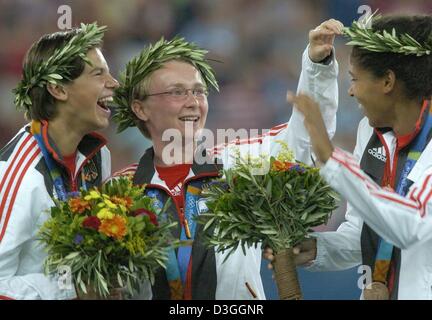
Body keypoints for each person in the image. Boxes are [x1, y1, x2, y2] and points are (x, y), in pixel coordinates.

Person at [111, 20, 341, 299]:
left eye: (199, 91)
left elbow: (305, 140)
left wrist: (317, 67)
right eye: (177, 92)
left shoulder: (237, 166)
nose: (193, 101)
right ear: (140, 108)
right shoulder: (120, 193)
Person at [267, 14, 432, 300]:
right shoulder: (369, 132)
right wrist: (320, 249)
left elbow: (413, 225)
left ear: (388, 82)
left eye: (355, 79)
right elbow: (367, 230)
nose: (352, 91)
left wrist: (332, 160)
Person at [0, 24, 119, 299]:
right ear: (58, 89)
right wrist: (71, 290)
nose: (114, 83)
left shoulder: (97, 157)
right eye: (98, 73)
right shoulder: (17, 174)